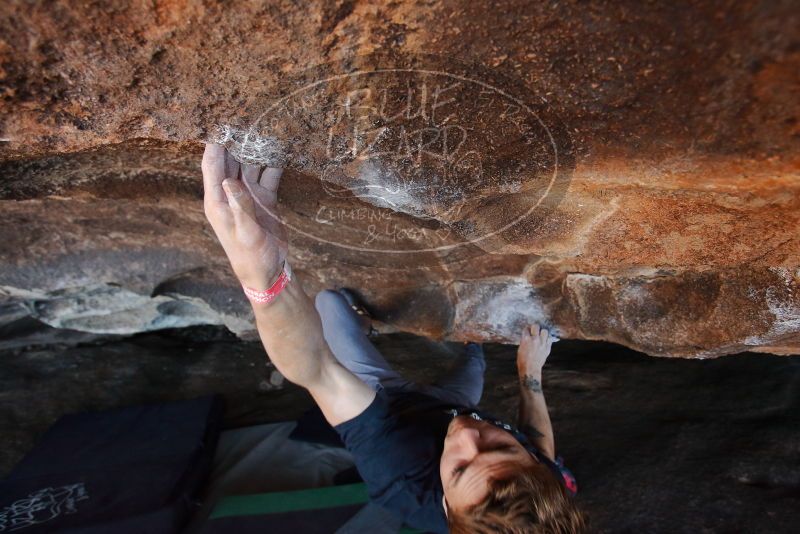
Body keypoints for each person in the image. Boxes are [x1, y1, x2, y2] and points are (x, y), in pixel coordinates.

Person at [201, 144, 585, 533]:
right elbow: (540, 445)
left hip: (392, 404)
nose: (469, 434)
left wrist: (264, 275)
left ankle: (361, 322)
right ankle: (466, 351)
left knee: (330, 304)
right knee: (475, 348)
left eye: (460, 467)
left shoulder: (400, 472)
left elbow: (317, 369)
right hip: (450, 403)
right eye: (500, 446)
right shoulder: (537, 482)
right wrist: (528, 372)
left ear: (448, 510)